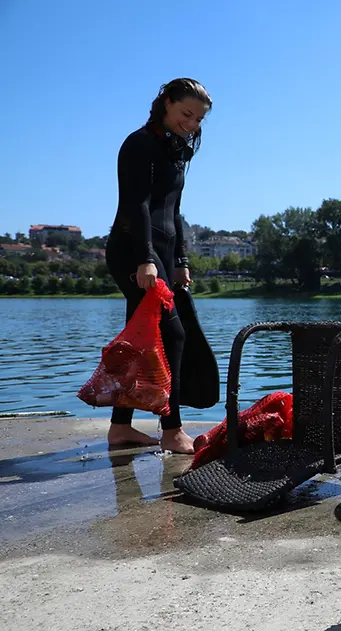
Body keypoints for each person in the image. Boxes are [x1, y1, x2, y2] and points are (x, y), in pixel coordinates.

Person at [105, 78, 212, 453]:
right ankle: (172, 431)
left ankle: (120, 429)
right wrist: (145, 258)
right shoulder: (140, 144)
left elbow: (174, 211)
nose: (192, 124)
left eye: (198, 119)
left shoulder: (176, 150)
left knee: (140, 342)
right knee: (172, 336)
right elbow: (137, 204)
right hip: (134, 251)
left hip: (160, 256)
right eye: (186, 114)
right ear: (166, 103)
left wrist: (180, 259)